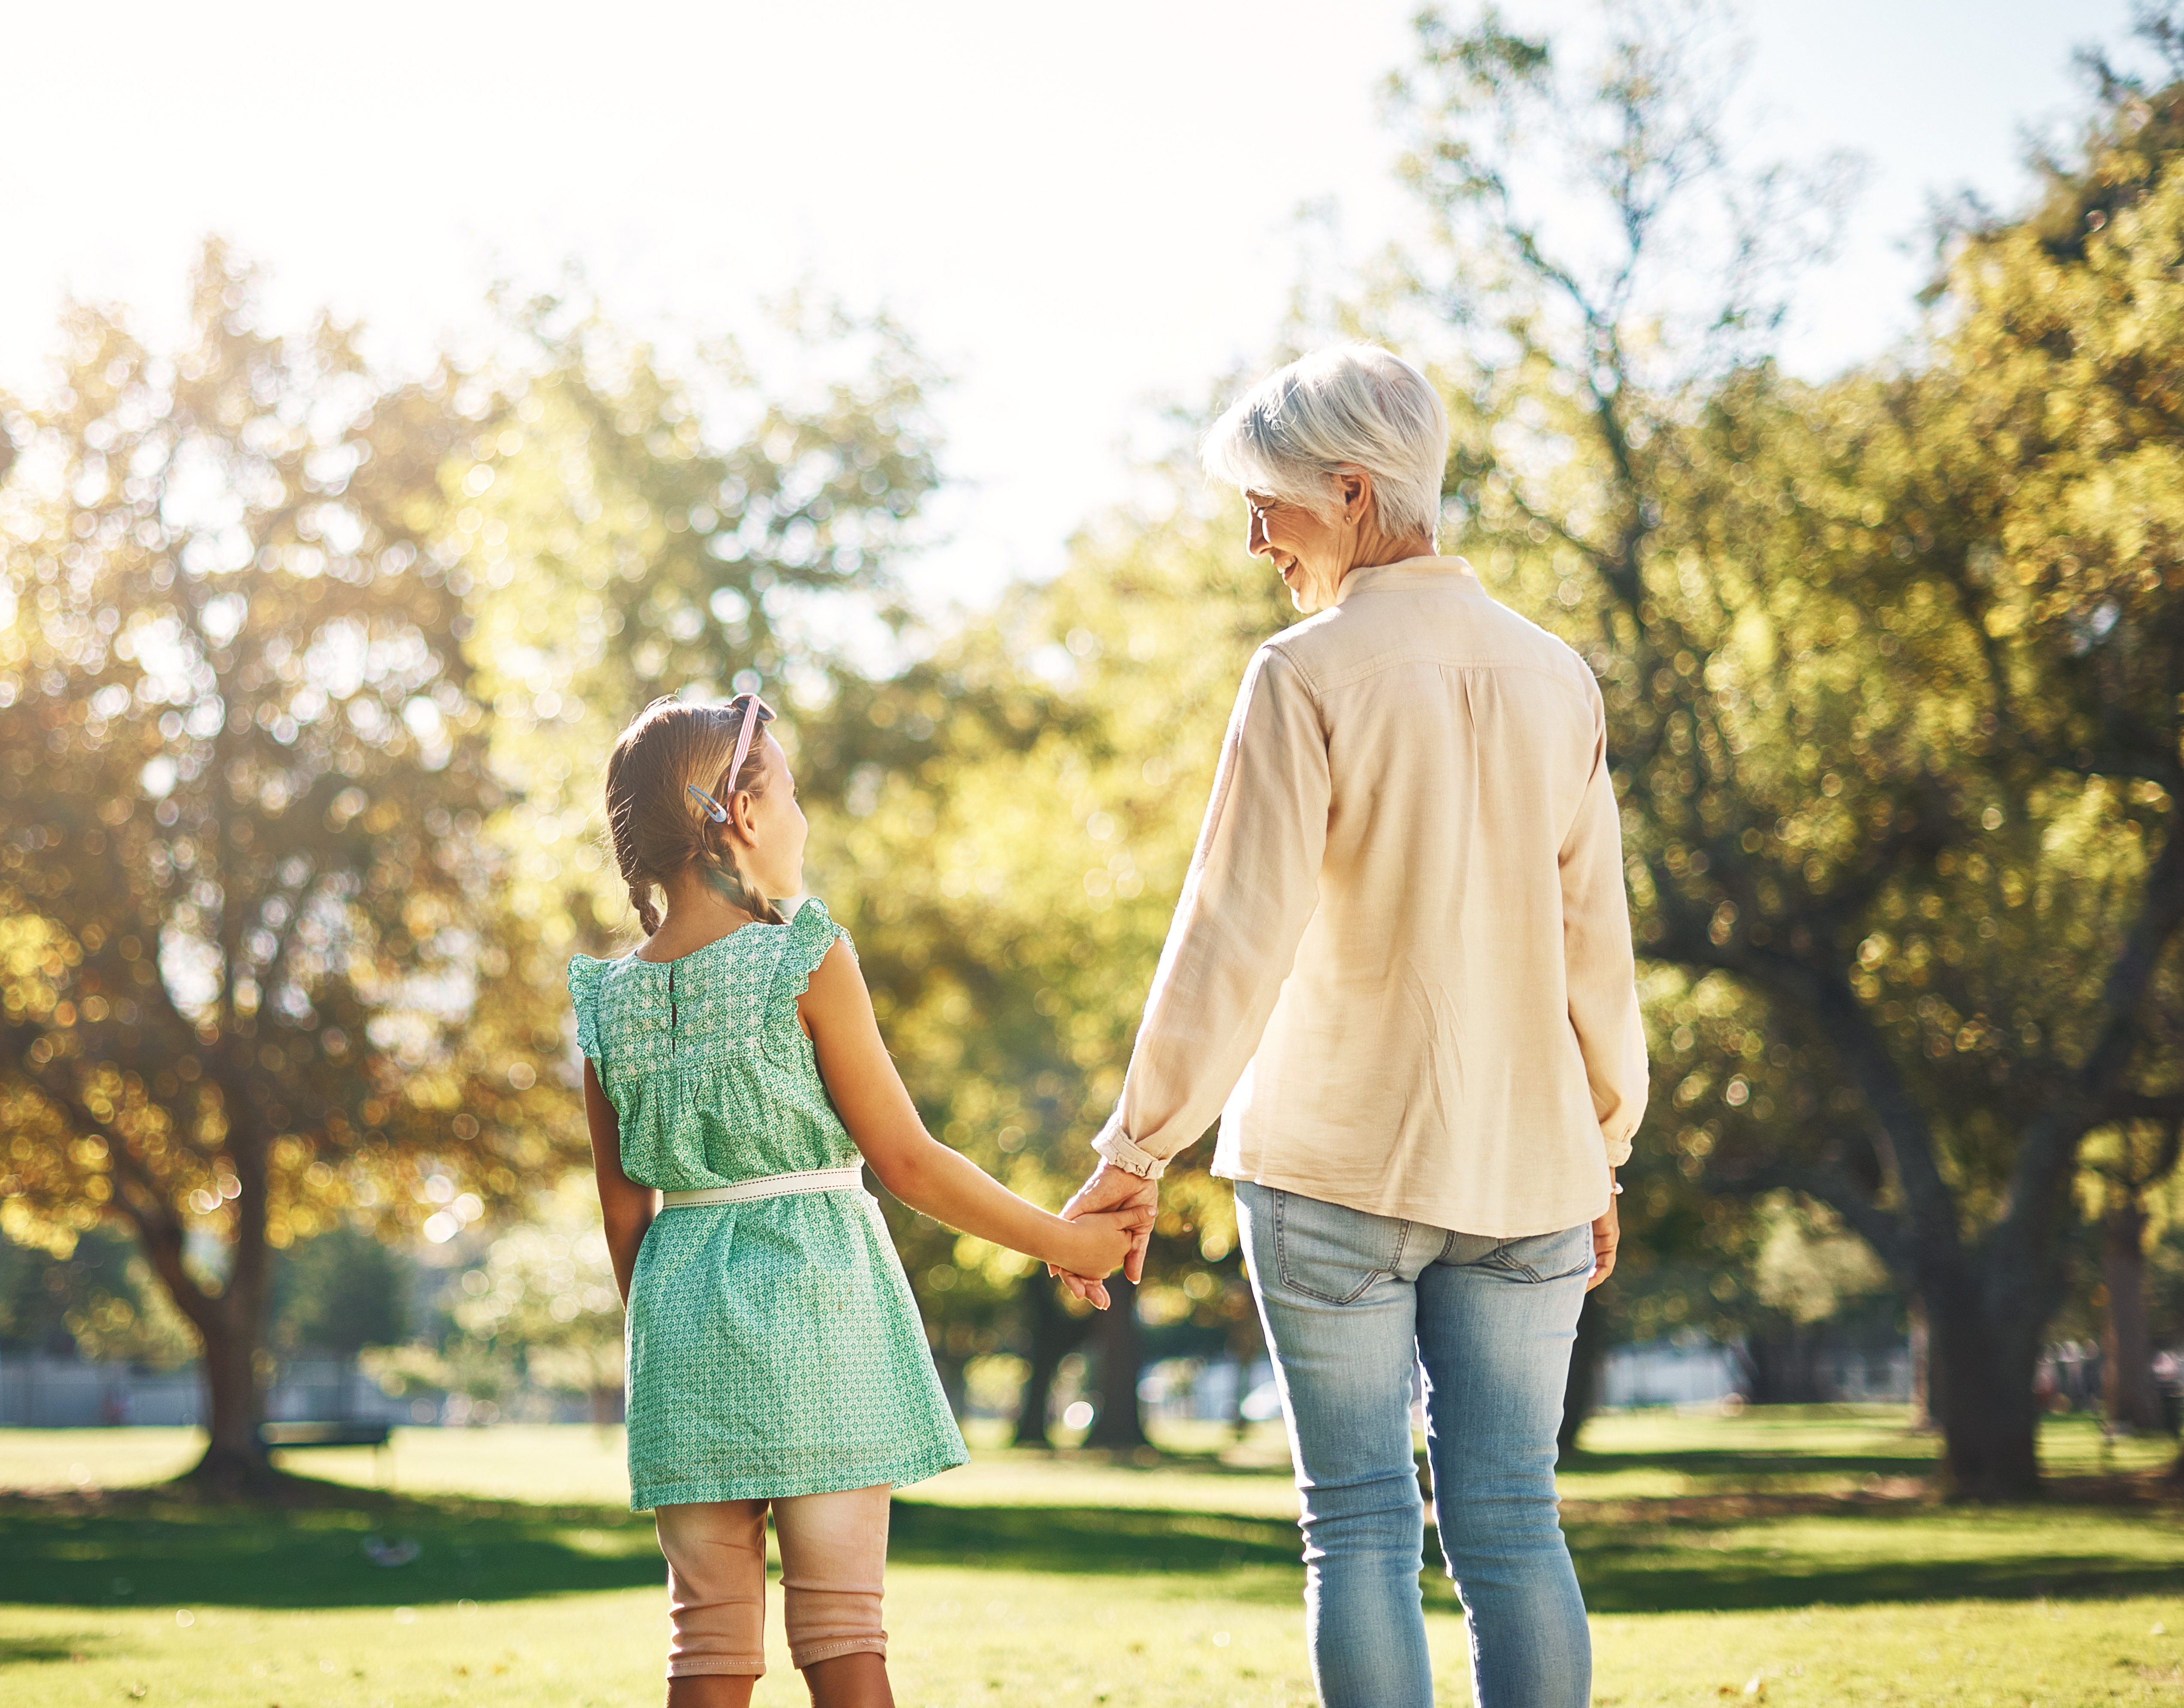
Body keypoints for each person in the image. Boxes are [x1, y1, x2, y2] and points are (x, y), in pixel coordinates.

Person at [1057, 344, 1649, 1708]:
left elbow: (1231, 934)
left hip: (1331, 1167)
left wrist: (1137, 1148)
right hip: (1526, 1172)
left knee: (1361, 1524)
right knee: (1514, 1519)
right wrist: (1601, 1141)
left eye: (1267, 502)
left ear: (1349, 488)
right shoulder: (1559, 676)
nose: (1254, 535)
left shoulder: (1302, 672)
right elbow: (1595, 947)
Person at [575, 693, 1146, 1708]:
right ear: (740, 815)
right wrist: (1067, 1240)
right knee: (841, 1631)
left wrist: (671, 1329)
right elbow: (909, 1161)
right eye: (789, 794)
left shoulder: (608, 1002)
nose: (800, 819)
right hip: (816, 1312)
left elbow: (626, 1216)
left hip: (679, 1330)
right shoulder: (803, 954)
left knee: (703, 1642)